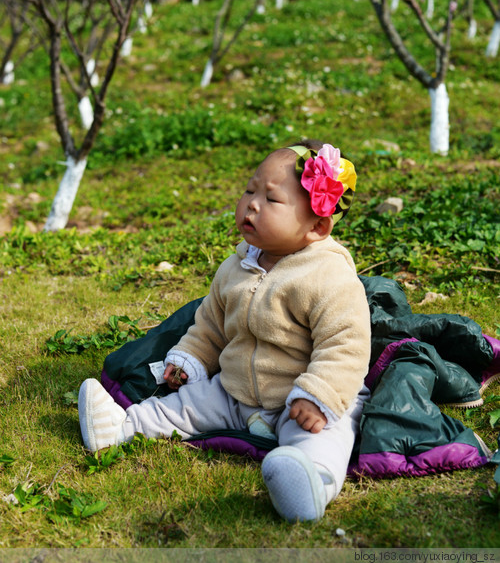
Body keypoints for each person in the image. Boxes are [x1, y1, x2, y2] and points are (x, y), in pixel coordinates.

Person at [78, 140, 371, 522]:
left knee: (326, 439)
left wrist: (319, 395)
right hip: (233, 391)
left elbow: (345, 345)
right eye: (250, 190)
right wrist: (191, 358)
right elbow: (211, 325)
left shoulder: (328, 276)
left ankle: (310, 483)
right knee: (181, 408)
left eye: (271, 199)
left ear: (317, 226)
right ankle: (121, 427)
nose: (252, 203)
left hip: (297, 402)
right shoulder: (235, 268)